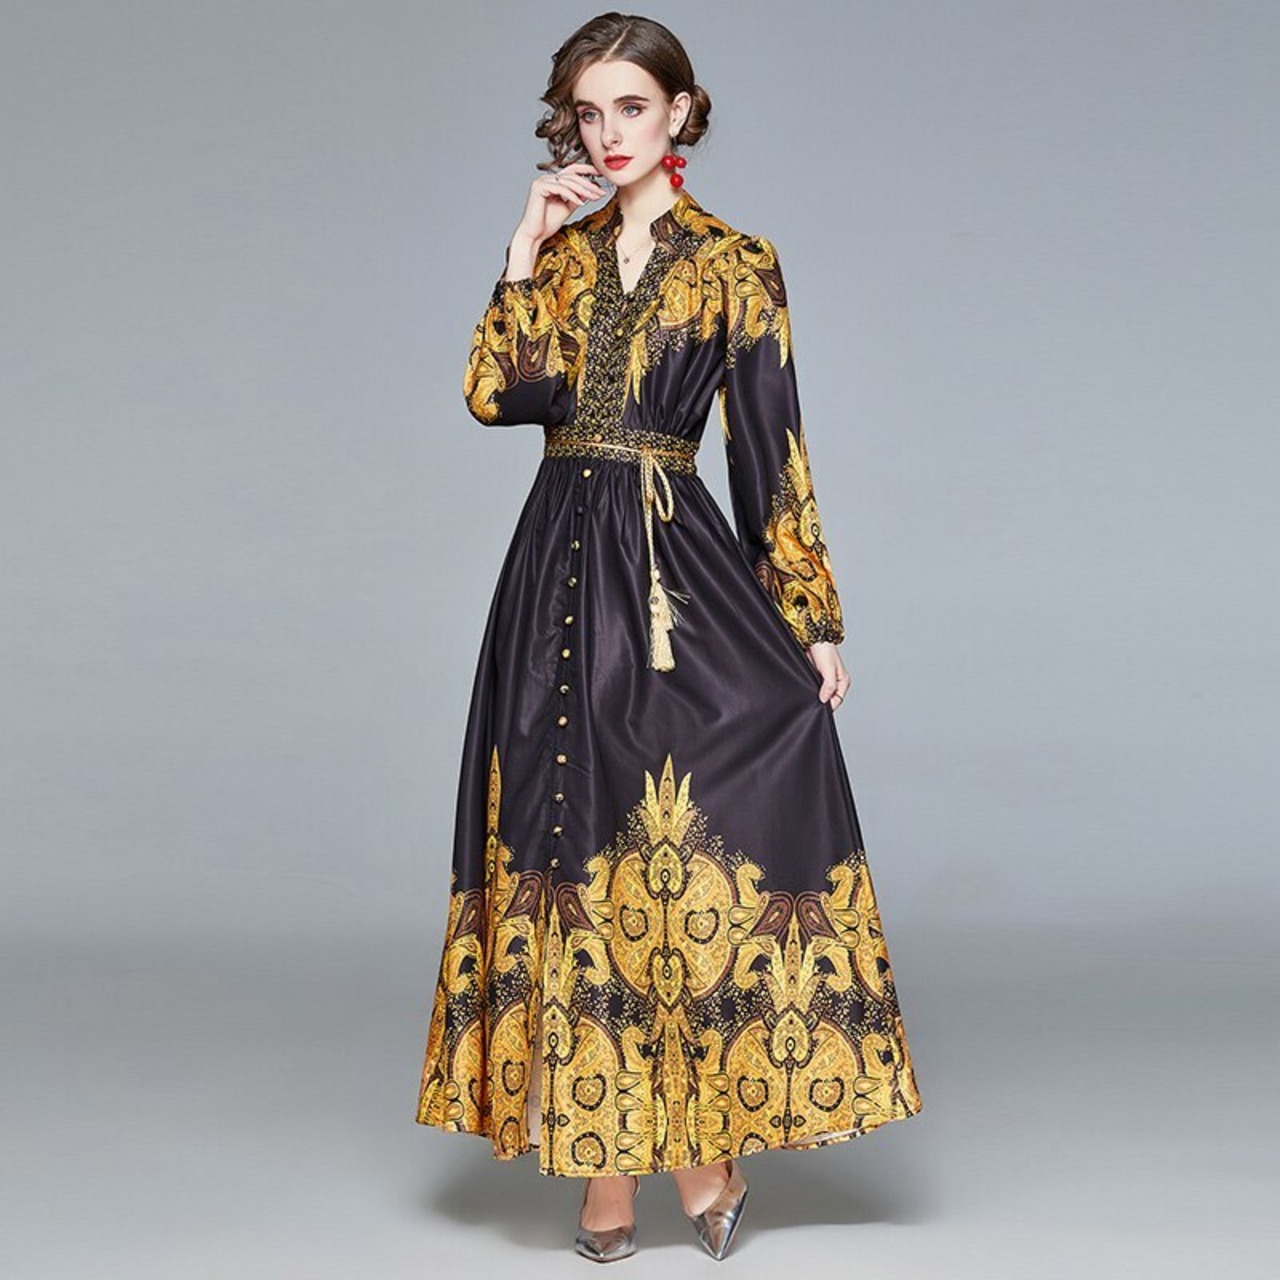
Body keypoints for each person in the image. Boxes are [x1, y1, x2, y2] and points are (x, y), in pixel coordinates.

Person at [415, 12, 922, 1262]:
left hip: (673, 578)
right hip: (553, 582)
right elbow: (493, 394)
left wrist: (807, 618)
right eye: (587, 114)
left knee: (673, 857)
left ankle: (700, 1152)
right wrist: (521, 247)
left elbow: (771, 448)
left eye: (630, 108)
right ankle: (605, 1167)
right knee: (573, 846)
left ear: (680, 112)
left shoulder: (737, 264)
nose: (607, 134)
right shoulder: (563, 257)